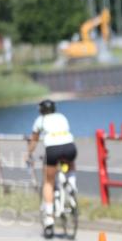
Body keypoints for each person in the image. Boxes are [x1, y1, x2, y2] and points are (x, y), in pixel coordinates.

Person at [25, 99, 77, 232]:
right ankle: (71, 185)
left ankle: (49, 217)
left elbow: (34, 140)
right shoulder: (62, 117)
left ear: (41, 110)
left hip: (53, 150)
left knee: (49, 181)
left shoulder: (40, 120)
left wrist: (28, 153)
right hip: (69, 147)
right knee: (70, 165)